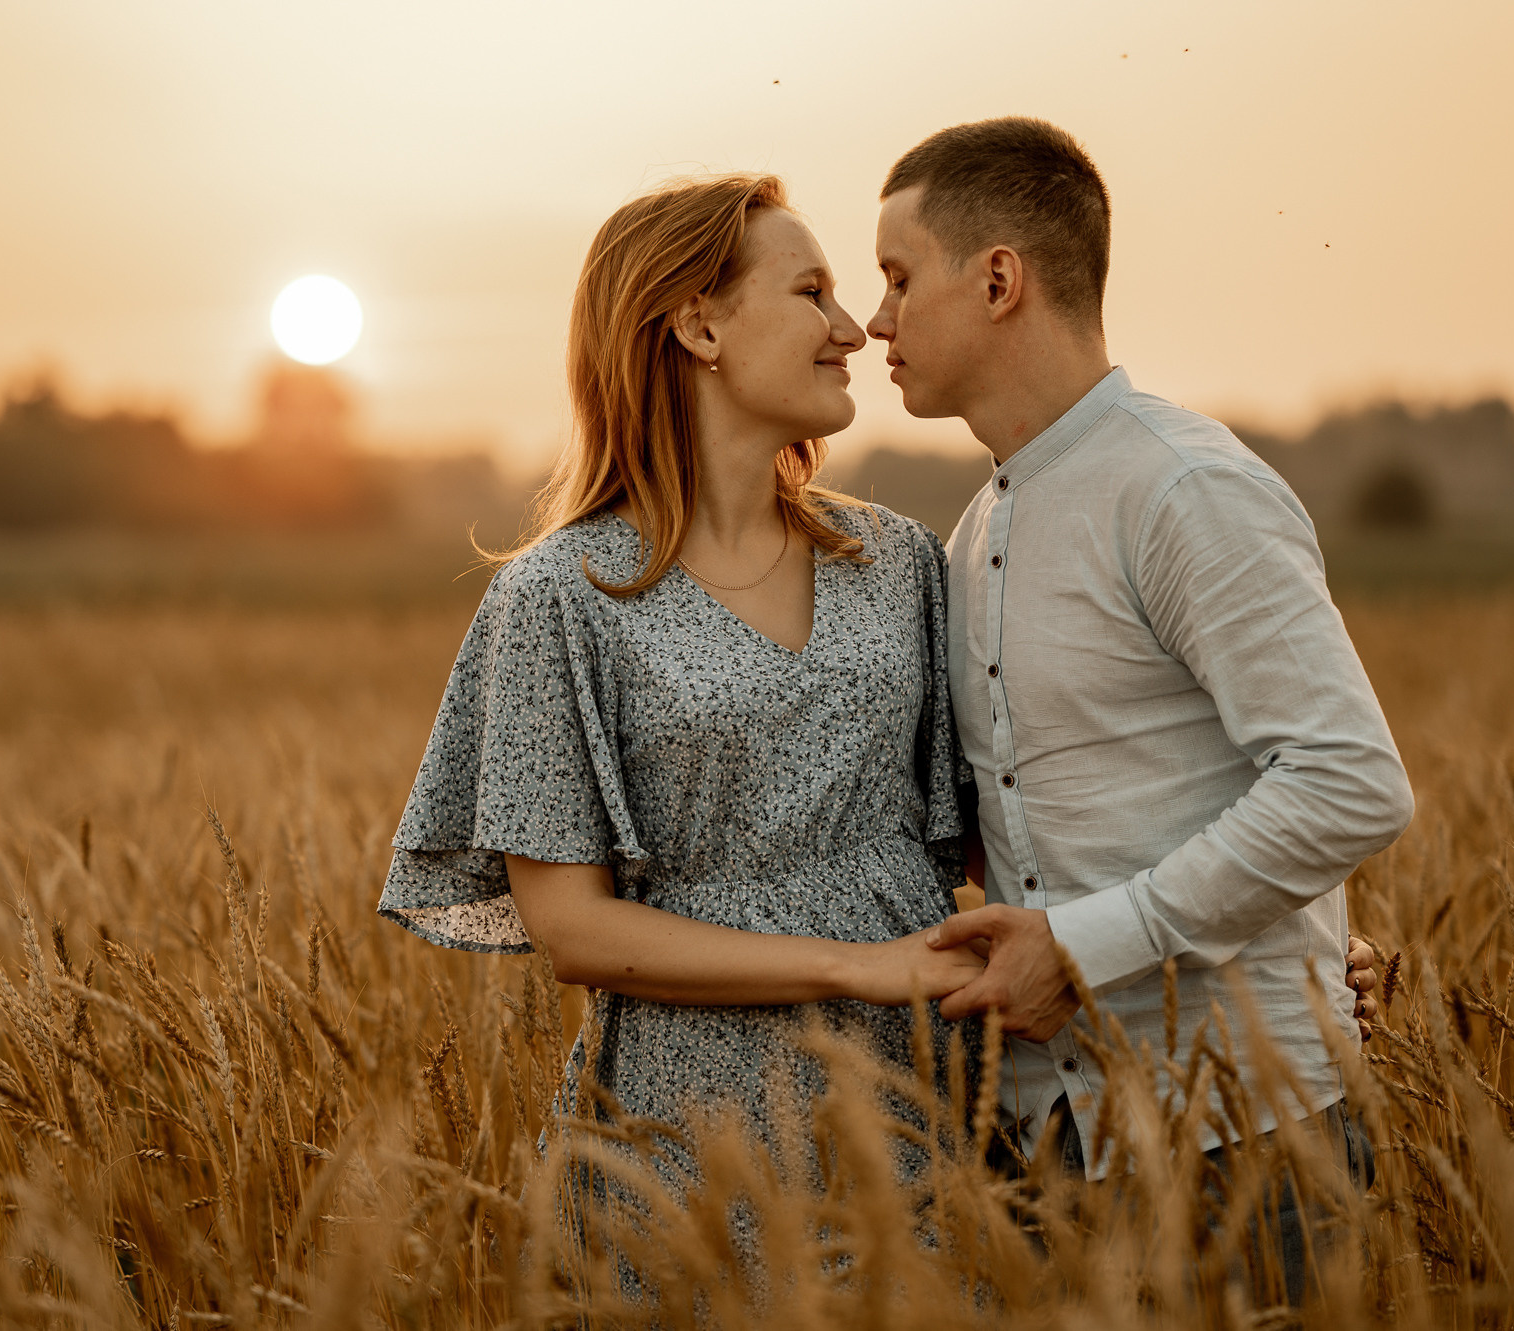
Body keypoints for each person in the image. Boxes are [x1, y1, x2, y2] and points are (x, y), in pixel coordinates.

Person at [869, 118, 1409, 1300]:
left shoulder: (1182, 487)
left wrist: (1080, 946)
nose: (875, 320)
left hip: (1241, 1127)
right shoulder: (974, 533)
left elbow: (1346, 779)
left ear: (998, 278)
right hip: (1046, 1138)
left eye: (898, 278)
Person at [376, 175, 990, 1212]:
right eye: (811, 293)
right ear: (698, 324)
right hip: (692, 1128)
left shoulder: (898, 564)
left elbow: (1015, 819)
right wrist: (857, 967)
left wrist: (1271, 939)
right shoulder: (557, 598)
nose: (852, 329)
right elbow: (574, 930)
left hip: (919, 1096)